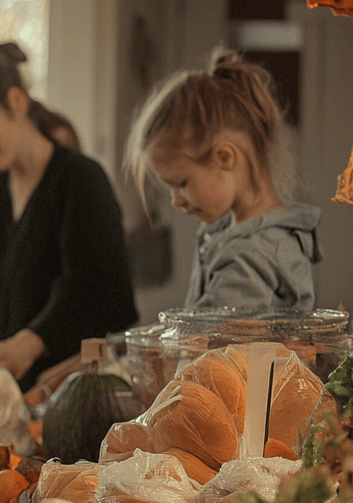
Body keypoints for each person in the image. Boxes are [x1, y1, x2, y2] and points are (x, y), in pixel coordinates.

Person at [0, 42, 139, 391]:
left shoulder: (81, 180)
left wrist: (29, 344)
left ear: (16, 102)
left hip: (75, 394)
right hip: (1, 399)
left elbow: (101, 294)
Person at [124, 48, 321, 311]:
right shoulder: (256, 233)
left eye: (181, 184)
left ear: (225, 157)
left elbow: (210, 341)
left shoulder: (250, 252)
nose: (175, 202)